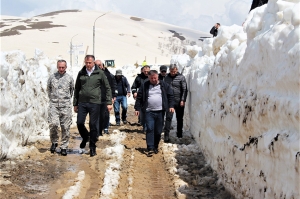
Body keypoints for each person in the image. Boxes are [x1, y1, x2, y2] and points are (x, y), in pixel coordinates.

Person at [73, 55, 112, 157]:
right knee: (80, 122)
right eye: (86, 63)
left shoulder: (100, 73)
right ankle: (86, 137)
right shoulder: (81, 73)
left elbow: (107, 88)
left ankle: (92, 146)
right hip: (82, 102)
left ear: (93, 62)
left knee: (93, 125)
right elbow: (77, 89)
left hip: (95, 102)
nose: (88, 65)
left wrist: (109, 102)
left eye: (90, 63)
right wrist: (75, 103)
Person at [134, 70, 174, 155]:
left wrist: (171, 106)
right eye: (151, 78)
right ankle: (150, 147)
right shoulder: (145, 85)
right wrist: (137, 108)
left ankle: (155, 146)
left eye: (155, 78)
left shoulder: (164, 85)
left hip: (160, 111)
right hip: (149, 111)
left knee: (158, 130)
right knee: (150, 128)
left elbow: (170, 95)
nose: (154, 79)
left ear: (157, 76)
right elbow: (139, 97)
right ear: (148, 78)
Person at [47, 60, 74, 156]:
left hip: (65, 106)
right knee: (53, 124)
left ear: (66, 67)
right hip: (54, 105)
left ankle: (64, 146)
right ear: (57, 67)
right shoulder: (52, 77)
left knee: (65, 127)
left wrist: (65, 101)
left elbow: (71, 91)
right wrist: (53, 100)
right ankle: (54, 142)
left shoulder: (69, 78)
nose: (61, 69)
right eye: (59, 67)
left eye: (63, 67)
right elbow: (48, 89)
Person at [164, 64, 188, 141]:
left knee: (179, 118)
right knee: (168, 118)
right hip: (169, 101)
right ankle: (166, 136)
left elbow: (184, 89)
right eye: (171, 71)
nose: (173, 73)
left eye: (174, 71)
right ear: (169, 70)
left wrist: (183, 100)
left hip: (179, 101)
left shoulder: (181, 77)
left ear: (177, 70)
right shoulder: (166, 78)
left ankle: (179, 134)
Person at [95, 60, 117, 135]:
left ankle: (106, 127)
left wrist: (113, 96)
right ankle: (98, 130)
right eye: (96, 65)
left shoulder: (108, 75)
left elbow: (112, 86)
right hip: (95, 99)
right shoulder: (91, 74)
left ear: (103, 66)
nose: (98, 67)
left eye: (99, 65)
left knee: (105, 114)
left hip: (105, 98)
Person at [132, 65, 150, 129]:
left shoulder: (151, 77)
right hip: (141, 97)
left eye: (147, 71)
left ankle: (147, 127)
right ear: (143, 70)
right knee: (142, 113)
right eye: (145, 71)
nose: (146, 72)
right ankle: (143, 124)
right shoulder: (138, 78)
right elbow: (133, 87)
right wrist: (134, 92)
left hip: (149, 97)